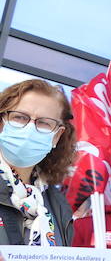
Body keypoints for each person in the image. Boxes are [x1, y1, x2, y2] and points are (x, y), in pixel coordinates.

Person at [1, 77, 77, 245]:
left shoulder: (57, 205)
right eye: (20, 117)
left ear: (56, 136)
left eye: (43, 123)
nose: (30, 128)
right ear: (1, 123)